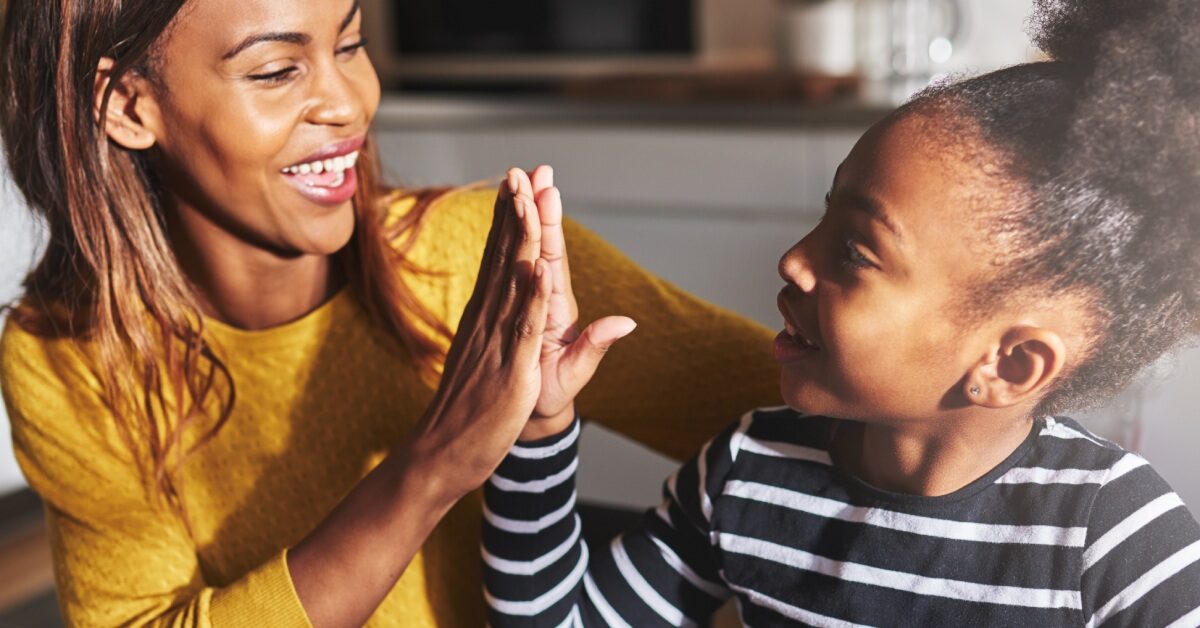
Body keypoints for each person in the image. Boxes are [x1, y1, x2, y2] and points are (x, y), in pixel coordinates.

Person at [0, 1, 781, 626]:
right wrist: (436, 464)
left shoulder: (479, 253)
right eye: (276, 71)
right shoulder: (66, 357)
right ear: (127, 104)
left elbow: (829, 416)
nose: (347, 102)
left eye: (350, 43)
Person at [481, 0, 1200, 625]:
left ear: (1008, 365)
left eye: (854, 251)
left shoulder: (1117, 540)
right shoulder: (747, 470)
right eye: (822, 219)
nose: (794, 259)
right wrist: (539, 428)